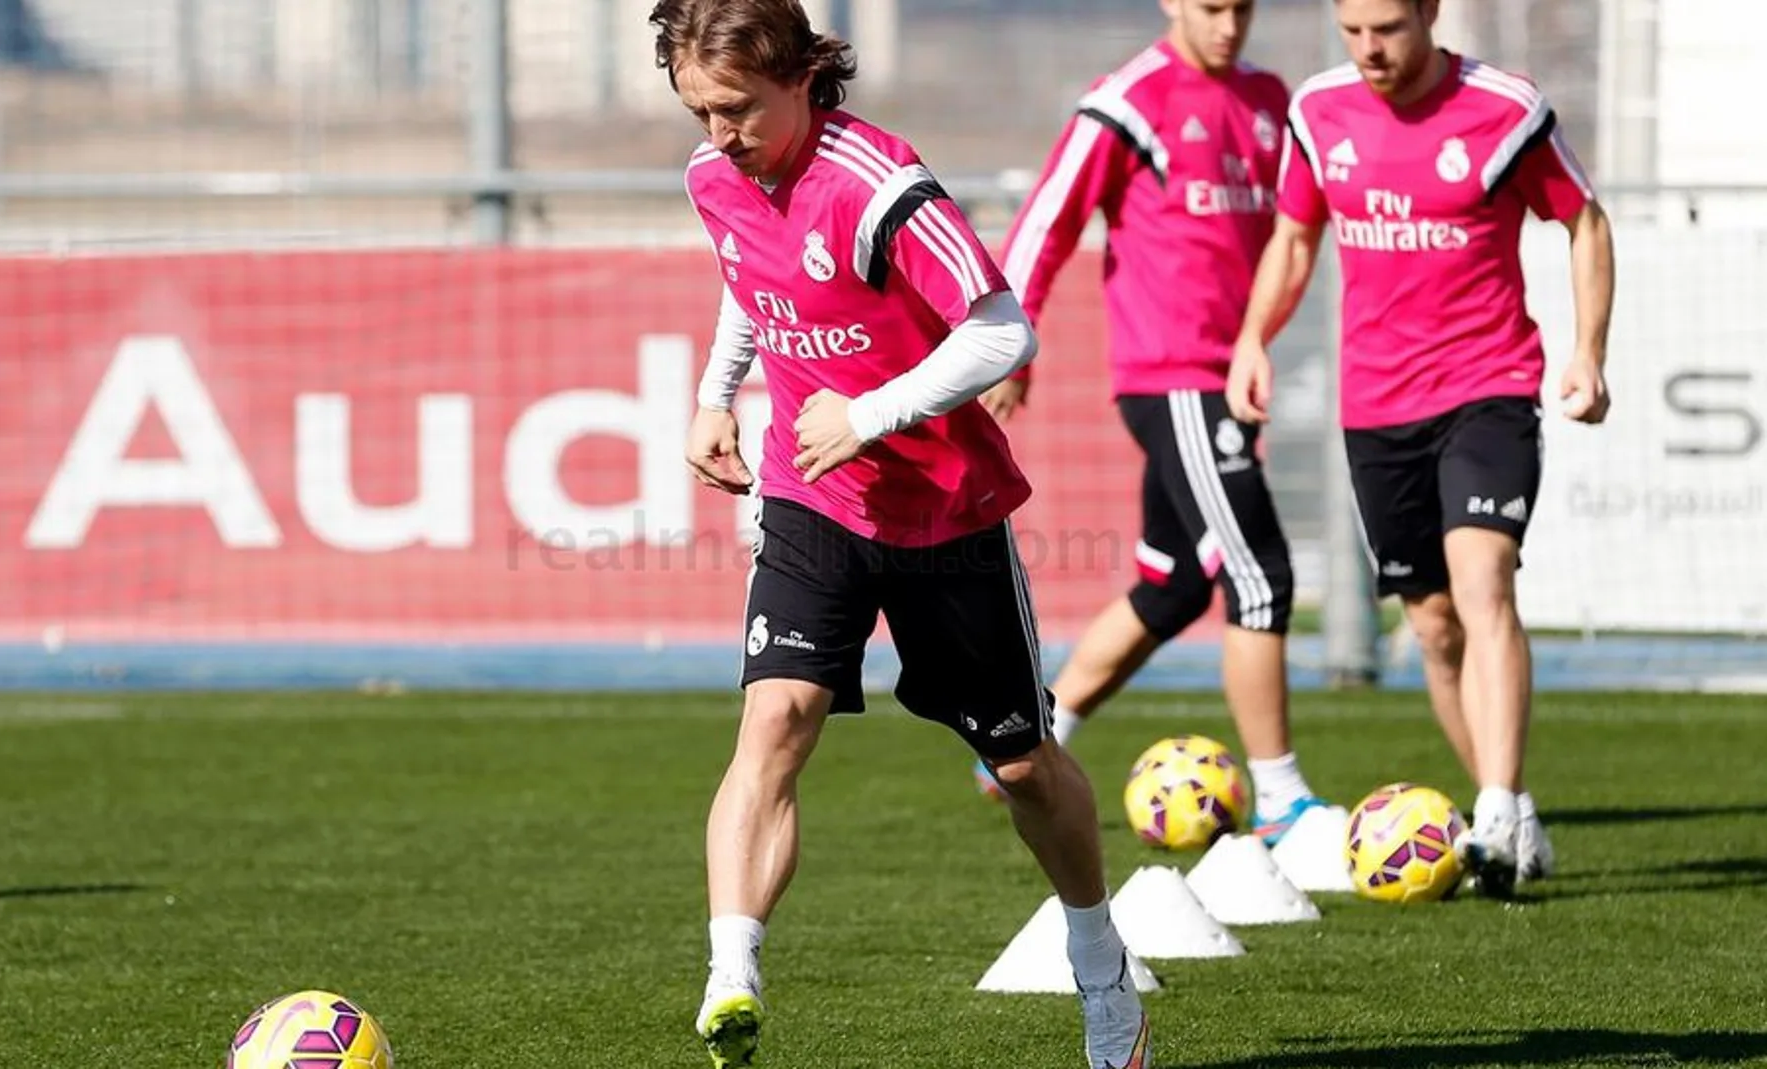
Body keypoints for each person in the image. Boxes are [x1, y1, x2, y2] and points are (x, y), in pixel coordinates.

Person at [649, 2, 1151, 1066]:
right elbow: (752, 282)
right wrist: (714, 395)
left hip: (943, 512)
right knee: (776, 717)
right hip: (808, 497)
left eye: (738, 109)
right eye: (699, 112)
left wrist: (871, 411)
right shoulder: (713, 178)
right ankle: (731, 972)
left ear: (801, 77)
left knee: (1020, 766)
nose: (719, 135)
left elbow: (1001, 327)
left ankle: (1098, 958)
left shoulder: (879, 186)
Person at [1227, 0, 1615, 897]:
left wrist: (1587, 351)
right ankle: (1513, 814)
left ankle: (1495, 803)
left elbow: (1584, 221)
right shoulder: (1319, 113)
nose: (1370, 49)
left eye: (1389, 29)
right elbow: (1295, 237)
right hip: (1377, 409)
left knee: (1484, 585)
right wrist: (1255, 338)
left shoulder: (1507, 111)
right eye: (1353, 30)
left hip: (1488, 390)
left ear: (1432, 14)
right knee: (1434, 629)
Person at [978, 0, 1324, 844]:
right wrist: (1011, 352)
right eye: (1211, 7)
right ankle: (1281, 801)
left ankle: (1028, 737)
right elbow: (1046, 224)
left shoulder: (1271, 99)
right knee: (1261, 575)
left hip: (1230, 377)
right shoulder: (1126, 103)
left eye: (1242, 8)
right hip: (1174, 378)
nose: (1229, 24)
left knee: (1174, 585)